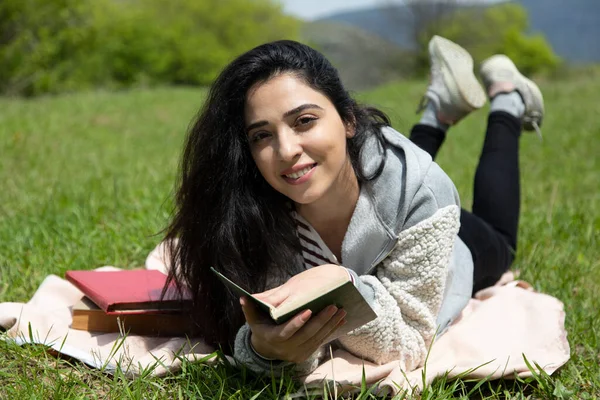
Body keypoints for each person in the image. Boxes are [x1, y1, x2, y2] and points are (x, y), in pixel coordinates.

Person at [163, 36, 544, 374]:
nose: (286, 150)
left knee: (497, 238)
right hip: (368, 185)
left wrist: (343, 286)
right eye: (262, 135)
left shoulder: (423, 194)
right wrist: (263, 348)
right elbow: (249, 330)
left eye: (305, 120)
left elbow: (409, 340)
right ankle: (438, 111)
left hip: (451, 244)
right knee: (369, 169)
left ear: (348, 119)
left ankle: (507, 98)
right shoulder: (248, 207)